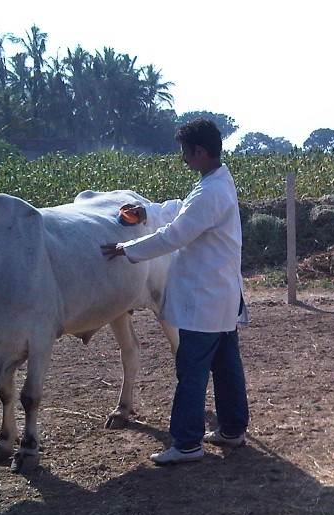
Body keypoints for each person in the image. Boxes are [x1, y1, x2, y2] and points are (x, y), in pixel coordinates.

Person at [101, 118, 249, 466]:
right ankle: (231, 429)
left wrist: (128, 249)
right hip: (221, 296)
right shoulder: (216, 183)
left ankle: (186, 443)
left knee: (191, 370)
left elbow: (176, 234)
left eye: (185, 151)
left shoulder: (211, 191)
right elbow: (183, 208)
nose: (183, 158)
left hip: (206, 300)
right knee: (226, 367)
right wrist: (147, 212)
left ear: (199, 150)